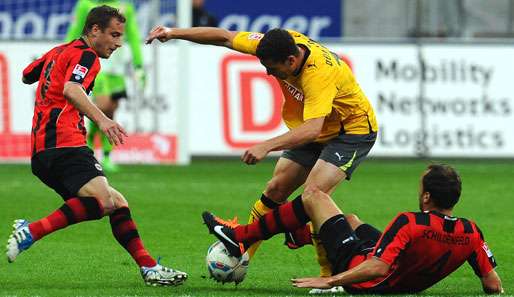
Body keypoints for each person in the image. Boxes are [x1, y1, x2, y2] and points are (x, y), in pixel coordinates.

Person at [146, 26, 378, 276]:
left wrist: (266, 145)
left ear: (291, 60)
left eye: (273, 68)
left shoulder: (319, 73)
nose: (268, 73)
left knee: (314, 195)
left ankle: (329, 276)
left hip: (351, 131)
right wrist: (173, 32)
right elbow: (225, 37)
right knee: (276, 189)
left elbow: (312, 129)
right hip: (316, 127)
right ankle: (241, 252)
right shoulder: (275, 45)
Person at [6, 5, 187, 286]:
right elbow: (71, 89)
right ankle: (31, 232)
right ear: (94, 30)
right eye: (113, 35)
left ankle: (149, 267)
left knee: (117, 203)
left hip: (43, 151)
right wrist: (103, 120)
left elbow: (27, 74)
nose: (118, 43)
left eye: (121, 36)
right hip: (65, 145)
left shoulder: (59, 52)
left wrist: (50, 69)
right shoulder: (88, 56)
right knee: (104, 202)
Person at [202, 164, 503, 294]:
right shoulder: (472, 231)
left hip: (363, 276)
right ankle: (301, 234)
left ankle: (240, 237)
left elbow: (376, 267)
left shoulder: (410, 221)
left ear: (426, 196)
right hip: (404, 279)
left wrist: (332, 279)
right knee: (352, 221)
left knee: (314, 195)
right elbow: (492, 285)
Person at [66, 0, 146, 172]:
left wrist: (139, 65)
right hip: (97, 66)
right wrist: (63, 54)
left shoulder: (125, 7)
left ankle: (107, 156)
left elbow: (132, 35)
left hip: (117, 70)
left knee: (110, 111)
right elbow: (74, 31)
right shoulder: (85, 5)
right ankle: (88, 149)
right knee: (102, 107)